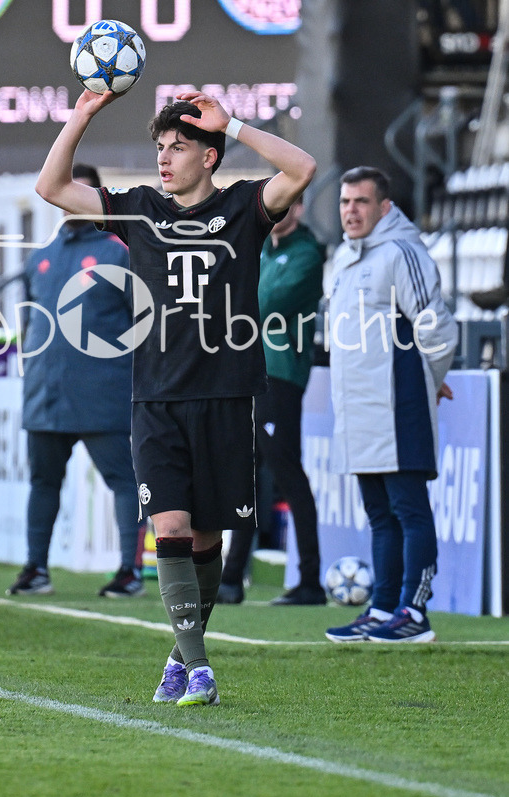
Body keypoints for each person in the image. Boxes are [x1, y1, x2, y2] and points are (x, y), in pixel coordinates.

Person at [35, 87, 316, 706]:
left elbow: (303, 169)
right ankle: (201, 669)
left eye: (179, 147)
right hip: (156, 399)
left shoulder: (245, 207)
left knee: (208, 540)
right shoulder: (138, 210)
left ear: (209, 157)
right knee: (171, 526)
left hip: (225, 396)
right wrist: (82, 115)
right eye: (160, 147)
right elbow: (52, 187)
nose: (165, 158)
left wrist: (234, 123)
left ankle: (178, 658)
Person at [325, 166, 457, 644]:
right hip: (358, 406)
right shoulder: (343, 257)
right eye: (344, 203)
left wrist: (428, 380)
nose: (351, 211)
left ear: (384, 208)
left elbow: (436, 326)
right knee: (379, 514)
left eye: (361, 202)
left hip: (397, 403)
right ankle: (382, 609)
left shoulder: (403, 252)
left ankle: (415, 611)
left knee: (408, 509)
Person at [7, 163, 146, 600]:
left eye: (81, 194)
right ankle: (36, 567)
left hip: (103, 393)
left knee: (124, 481)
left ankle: (129, 570)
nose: (72, 202)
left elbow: (144, 322)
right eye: (65, 193)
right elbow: (30, 325)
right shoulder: (39, 258)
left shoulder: (118, 252)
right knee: (43, 483)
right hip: (45, 395)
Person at [216, 199, 327, 606]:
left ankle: (311, 580)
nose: (281, 209)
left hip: (280, 375)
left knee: (286, 471)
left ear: (299, 207)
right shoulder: (262, 248)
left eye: (290, 201)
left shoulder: (307, 254)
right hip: (249, 372)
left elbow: (264, 303)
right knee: (246, 473)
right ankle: (230, 578)